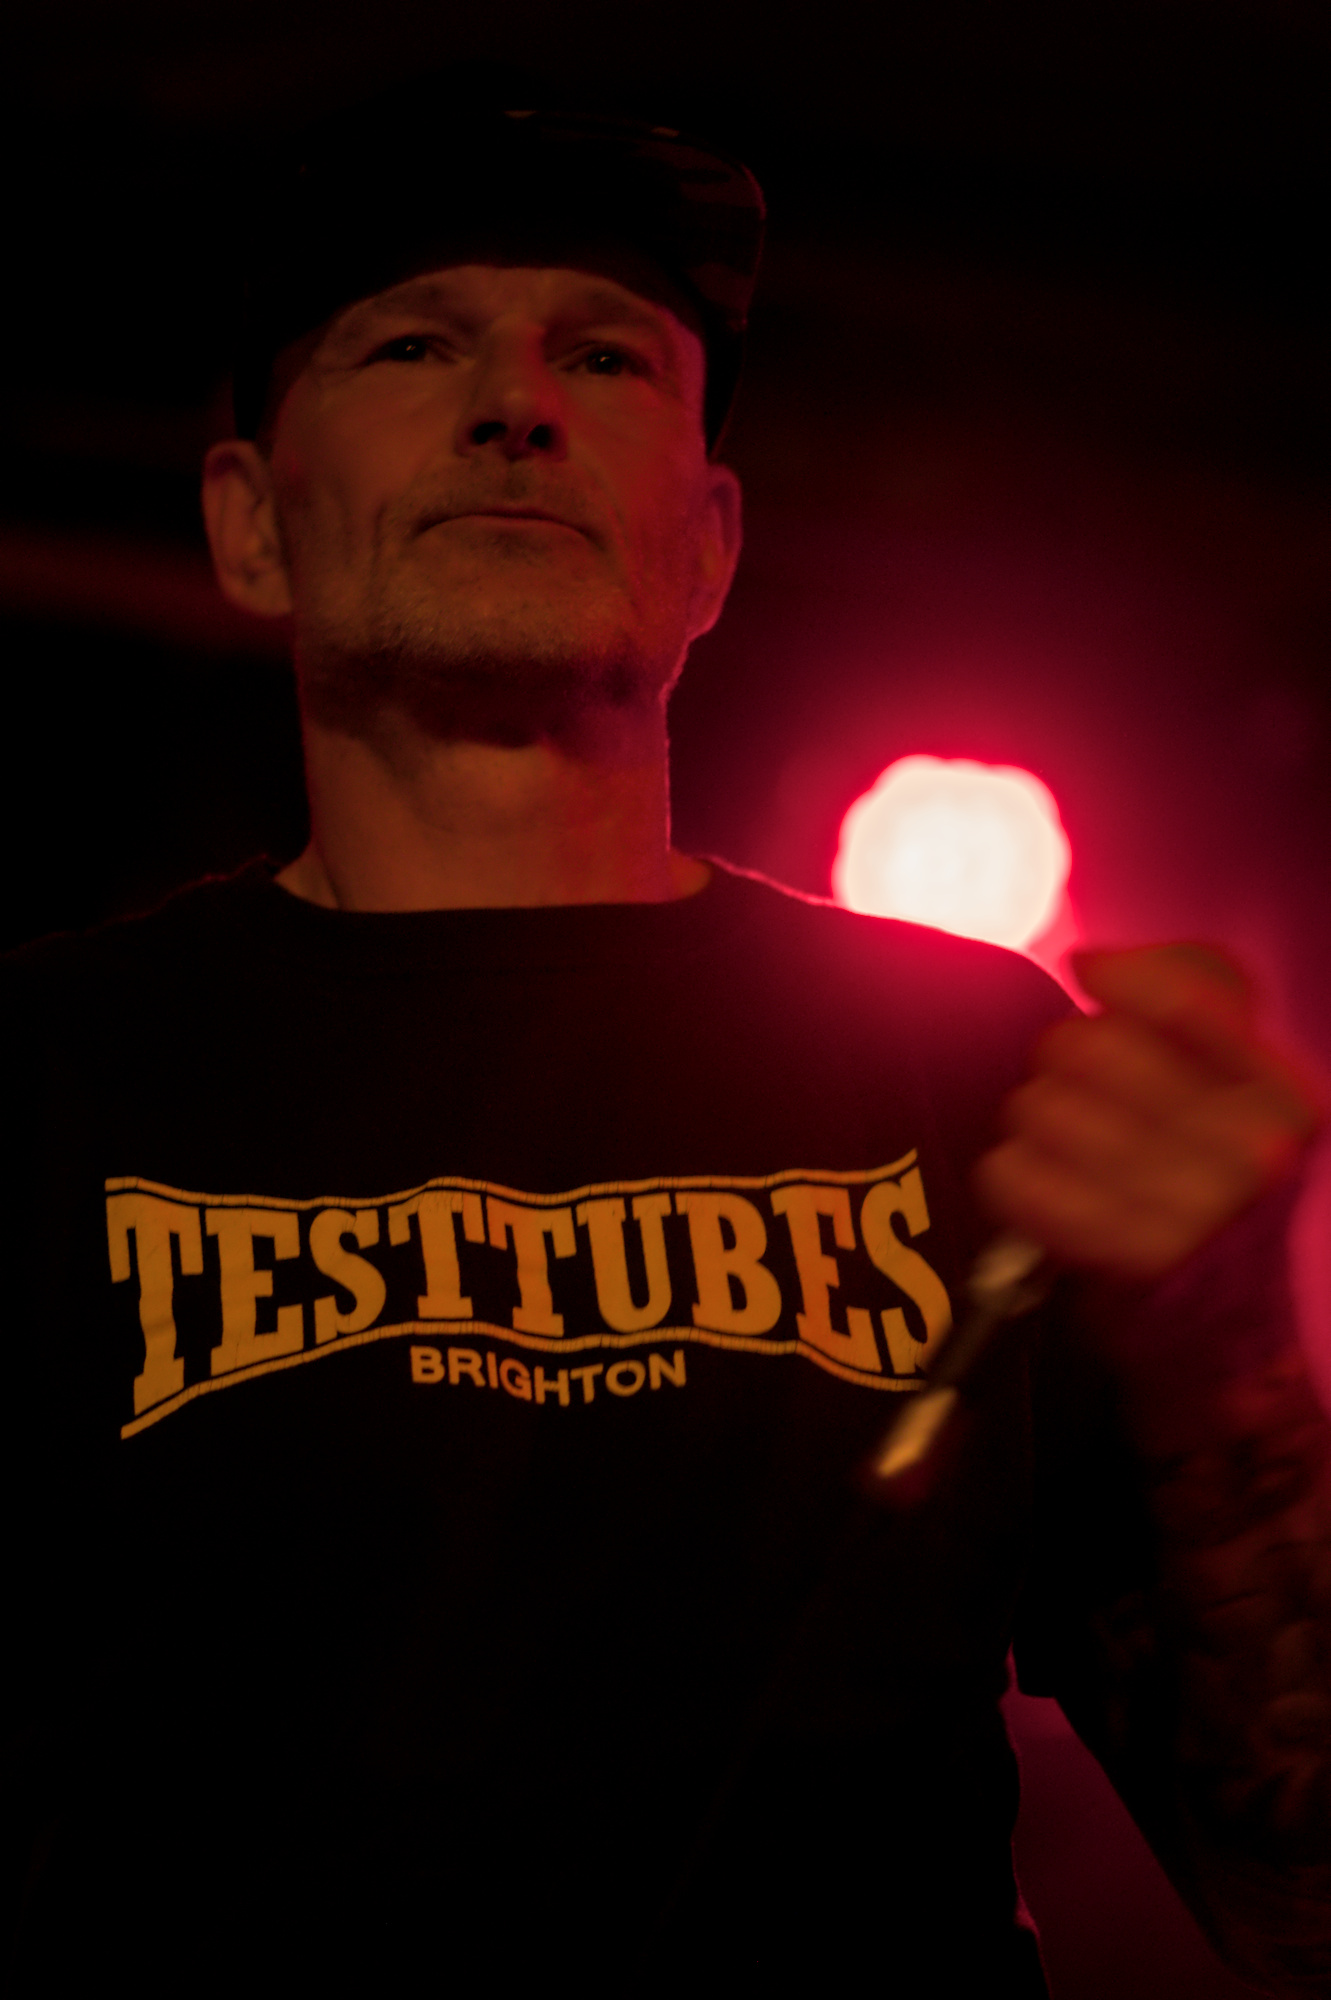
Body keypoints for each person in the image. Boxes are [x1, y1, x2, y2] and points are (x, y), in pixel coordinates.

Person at [5, 91, 1329, 1994]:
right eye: (413, 345)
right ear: (249, 525)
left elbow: (1297, 1904)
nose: (516, 404)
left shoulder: (971, 1062)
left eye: (606, 357)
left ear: (709, 548)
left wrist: (1229, 1357)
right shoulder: (48, 1070)